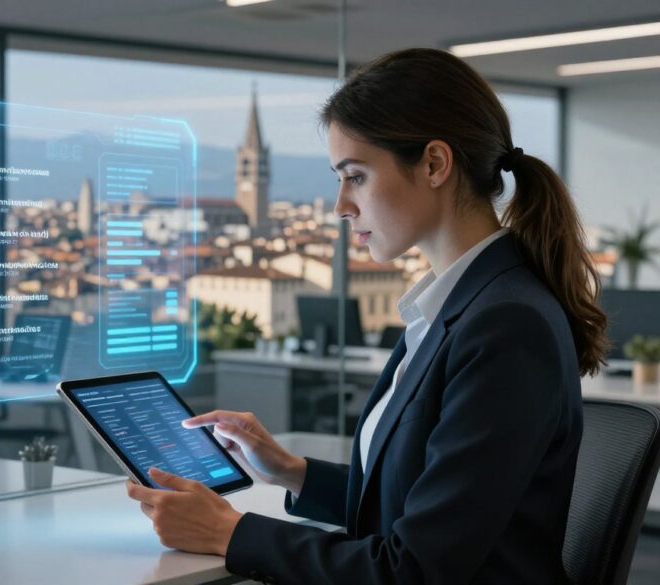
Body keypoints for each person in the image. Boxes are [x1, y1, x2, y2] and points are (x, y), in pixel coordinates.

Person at [126, 48, 608, 585]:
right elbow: (417, 504)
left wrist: (230, 533)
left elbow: (414, 570)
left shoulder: (505, 324)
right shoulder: (457, 304)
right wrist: (291, 472)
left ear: (434, 164)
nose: (340, 206)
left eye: (354, 176)